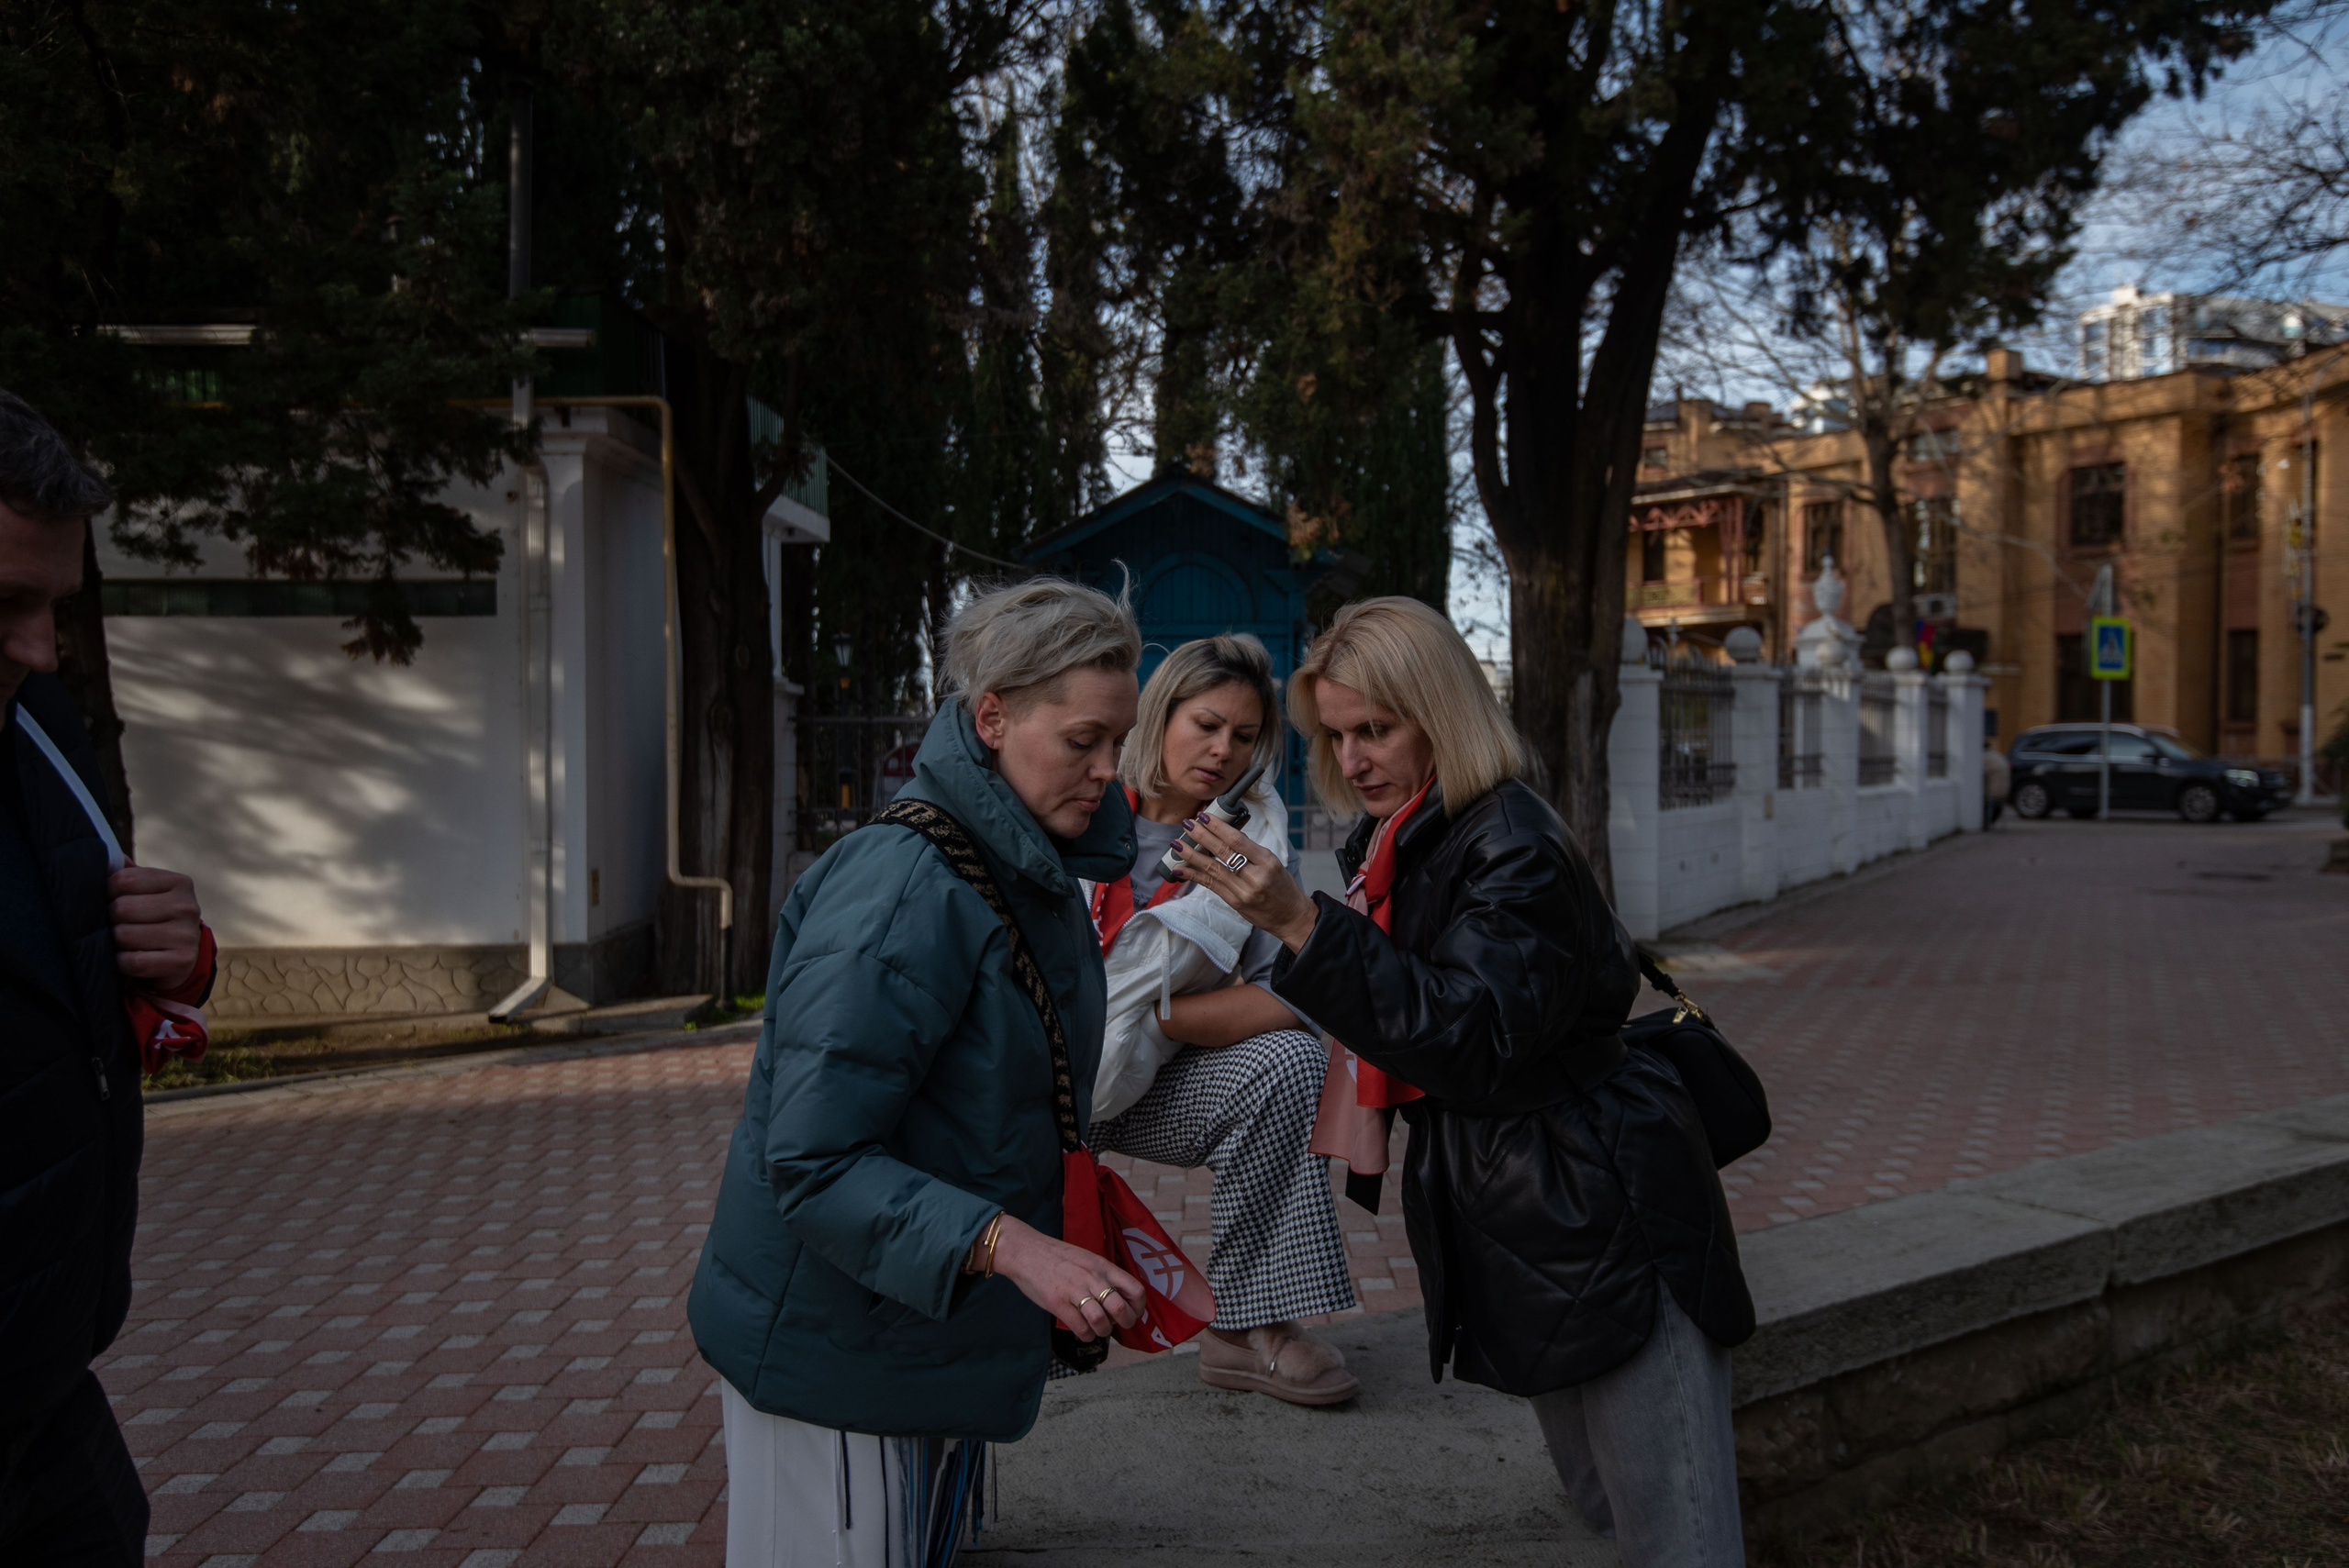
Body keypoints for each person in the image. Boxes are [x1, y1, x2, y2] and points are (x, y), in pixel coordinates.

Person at [1174, 596, 1754, 1568]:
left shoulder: (1507, 842)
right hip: (1527, 1205)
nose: (1353, 759)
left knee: (1678, 1531)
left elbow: (1470, 1034)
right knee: (1605, 1500)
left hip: (1602, 1203)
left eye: (1376, 730)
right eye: (1337, 734)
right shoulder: (1408, 838)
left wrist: (1301, 924)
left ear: (1439, 713)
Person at [689, 577, 1152, 1568]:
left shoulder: (1020, 861)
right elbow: (812, 1158)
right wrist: (1017, 1246)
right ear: (993, 716)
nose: (1110, 771)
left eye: (1119, 740)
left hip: (901, 1330)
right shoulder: (905, 886)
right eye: (1083, 741)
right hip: (838, 1350)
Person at [0, 391, 214, 1566]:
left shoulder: (36, 723)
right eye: (6, 605)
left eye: (53, 606)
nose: (39, 648)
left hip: (50, 1390)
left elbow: (81, 967)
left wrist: (185, 961)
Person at [1085, 635, 1359, 1406]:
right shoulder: (1081, 801)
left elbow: (1290, 999)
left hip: (1142, 1077)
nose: (1221, 751)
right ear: (1158, 712)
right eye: (1205, 724)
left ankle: (1249, 1325)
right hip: (1033, 1072)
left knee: (1290, 1063)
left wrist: (1164, 1019)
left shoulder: (1247, 847)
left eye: (1243, 737)